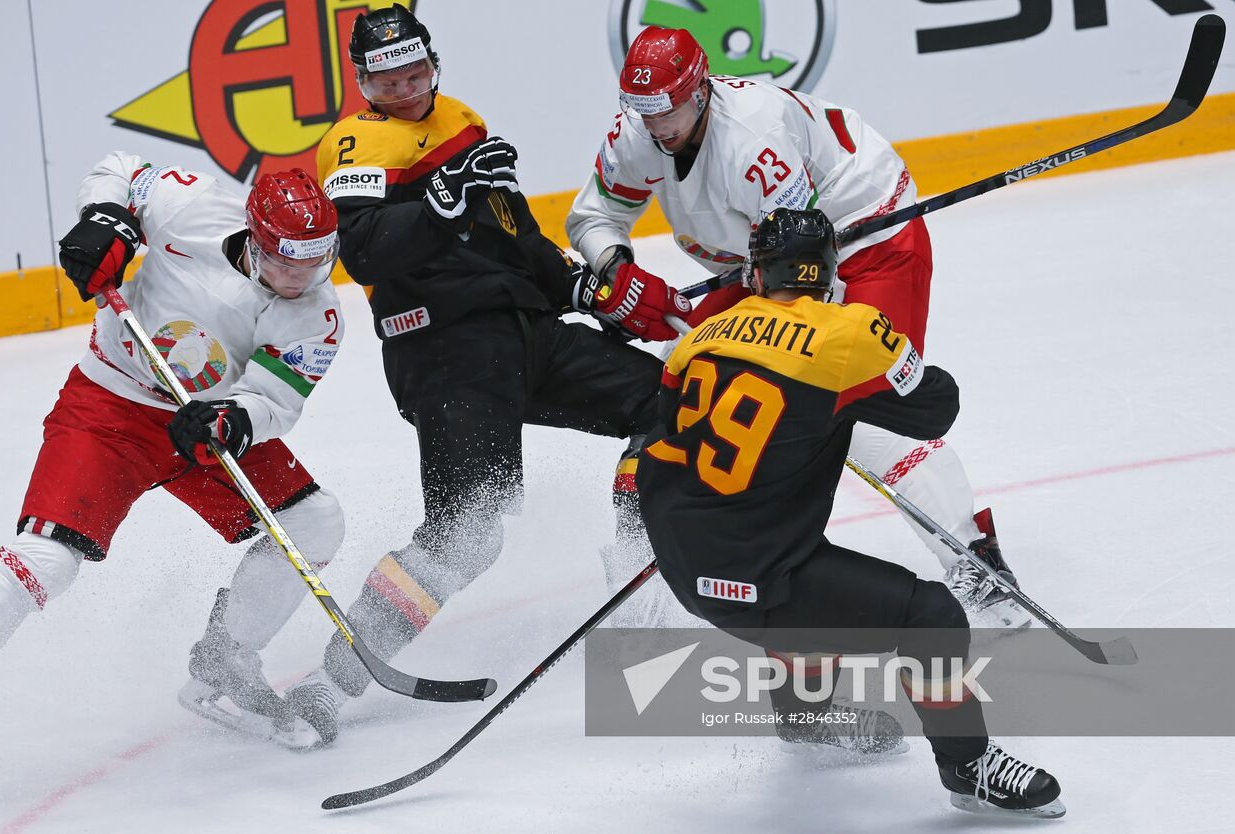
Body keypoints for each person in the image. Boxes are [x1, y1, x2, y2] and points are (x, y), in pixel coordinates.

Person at [0, 153, 348, 775]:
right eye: (284, 262)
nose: (301, 277)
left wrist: (232, 420)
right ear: (254, 238)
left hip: (202, 427)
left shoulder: (319, 317)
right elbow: (120, 167)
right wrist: (106, 217)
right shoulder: (192, 204)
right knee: (48, 556)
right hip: (110, 408)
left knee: (315, 521)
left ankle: (226, 659)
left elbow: (274, 399)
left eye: (316, 263)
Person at [280, 4, 675, 743]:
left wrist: (575, 286)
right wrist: (438, 204)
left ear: (435, 65)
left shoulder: (461, 120)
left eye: (416, 72)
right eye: (388, 80)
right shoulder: (354, 142)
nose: (406, 89)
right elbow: (361, 252)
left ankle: (635, 564)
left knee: (667, 404)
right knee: (467, 532)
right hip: (444, 352)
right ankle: (331, 681)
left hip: (526, 334)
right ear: (363, 83)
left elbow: (511, 228)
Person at [567, 26, 1027, 630]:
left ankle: (974, 558)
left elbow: (804, 276)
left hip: (865, 240)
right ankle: (644, 577)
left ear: (700, 90)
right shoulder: (639, 132)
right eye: (642, 109)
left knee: (866, 407)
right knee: (677, 395)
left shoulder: (754, 141)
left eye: (667, 108)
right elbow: (593, 216)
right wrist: (619, 271)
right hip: (766, 262)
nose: (655, 124)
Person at [637, 208, 1063, 817]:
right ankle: (968, 768)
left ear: (756, 276)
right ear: (829, 273)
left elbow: (667, 426)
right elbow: (935, 410)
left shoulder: (701, 336)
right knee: (931, 617)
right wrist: (877, 376)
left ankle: (805, 720)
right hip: (759, 575)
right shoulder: (850, 331)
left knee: (809, 583)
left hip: (683, 560)